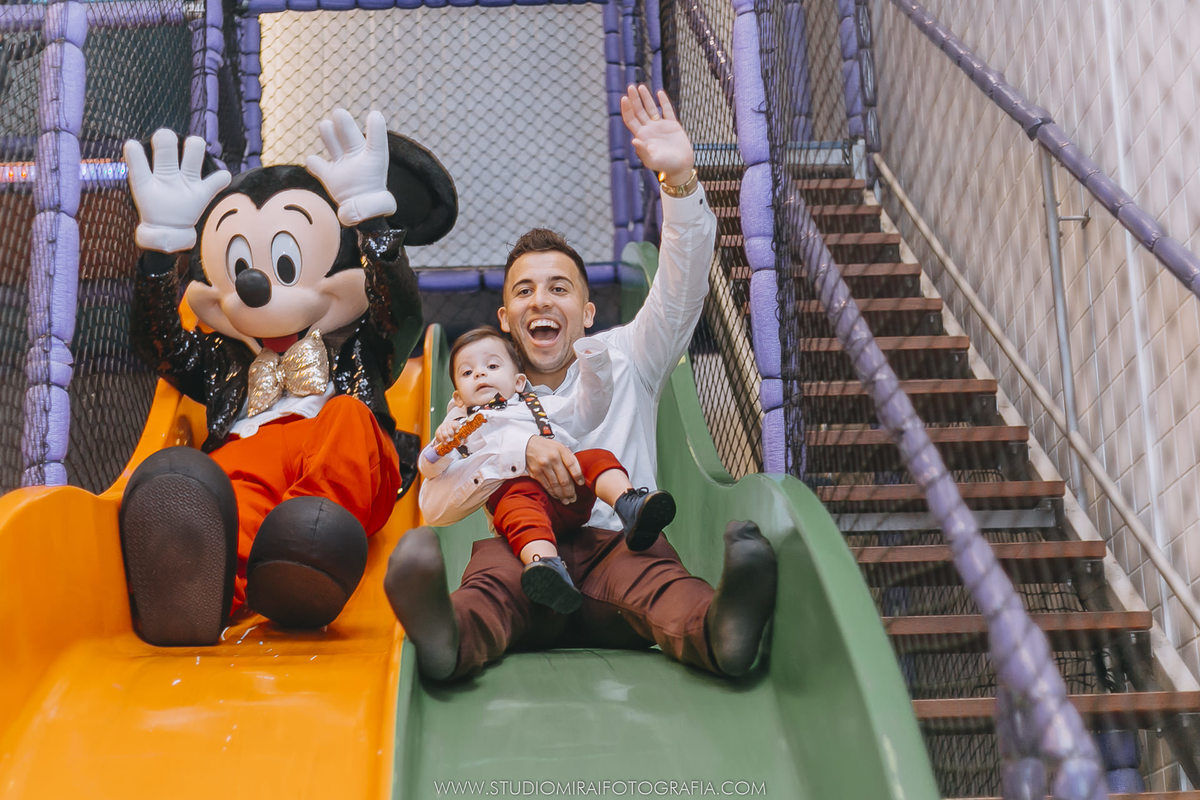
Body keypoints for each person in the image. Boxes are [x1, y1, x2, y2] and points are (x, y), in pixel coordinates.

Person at [386, 84, 777, 681]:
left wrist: (678, 182)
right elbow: (436, 505)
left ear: (587, 312)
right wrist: (518, 452)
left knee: (659, 580)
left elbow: (682, 285)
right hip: (528, 562)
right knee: (490, 583)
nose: (541, 300)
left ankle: (718, 630)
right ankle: (449, 638)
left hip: (618, 550)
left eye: (559, 288)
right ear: (506, 319)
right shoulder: (480, 398)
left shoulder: (628, 356)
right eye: (524, 291)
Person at [418, 326, 676, 615]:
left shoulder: (540, 405)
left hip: (569, 490)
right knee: (516, 508)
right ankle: (547, 566)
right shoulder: (464, 429)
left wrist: (594, 365)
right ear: (458, 397)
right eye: (467, 372)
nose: (479, 374)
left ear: (519, 382)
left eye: (492, 366)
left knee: (596, 458)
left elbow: (587, 410)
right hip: (523, 500)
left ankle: (629, 504)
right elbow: (429, 467)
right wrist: (442, 446)